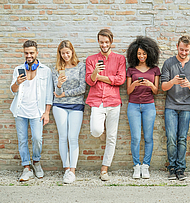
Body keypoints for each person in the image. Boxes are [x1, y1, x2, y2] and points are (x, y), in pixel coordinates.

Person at [85, 29, 126, 181]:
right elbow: (90, 81)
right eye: (101, 42)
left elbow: (120, 80)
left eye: (106, 42)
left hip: (114, 101)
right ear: (98, 42)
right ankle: (101, 131)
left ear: (111, 42)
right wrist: (95, 72)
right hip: (97, 100)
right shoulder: (91, 59)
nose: (104, 45)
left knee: (112, 137)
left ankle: (104, 168)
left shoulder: (120, 59)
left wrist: (99, 77)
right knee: (96, 130)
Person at [10, 40, 53, 182]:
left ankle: (36, 162)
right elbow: (13, 91)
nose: (29, 55)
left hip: (37, 112)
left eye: (31, 53)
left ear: (37, 53)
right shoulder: (18, 70)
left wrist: (47, 112)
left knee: (37, 139)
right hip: (20, 110)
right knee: (22, 140)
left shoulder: (45, 70)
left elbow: (48, 93)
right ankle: (26, 167)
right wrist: (17, 83)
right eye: (26, 53)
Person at [161, 35, 190, 181]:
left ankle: (180, 168)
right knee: (171, 137)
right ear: (177, 47)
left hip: (186, 106)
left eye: (186, 50)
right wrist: (173, 81)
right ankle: (171, 167)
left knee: (182, 138)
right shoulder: (168, 63)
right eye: (181, 49)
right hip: (170, 105)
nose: (183, 53)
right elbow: (163, 87)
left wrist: (189, 84)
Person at [126, 36, 161, 179]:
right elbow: (128, 91)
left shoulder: (155, 69)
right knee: (135, 138)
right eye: (139, 53)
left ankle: (146, 166)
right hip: (133, 105)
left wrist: (149, 84)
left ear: (149, 53)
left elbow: (156, 91)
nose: (141, 56)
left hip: (149, 106)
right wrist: (135, 84)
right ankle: (136, 166)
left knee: (148, 137)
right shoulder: (131, 70)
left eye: (144, 53)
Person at [52, 40, 86, 184]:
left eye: (68, 52)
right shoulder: (56, 68)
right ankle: (66, 169)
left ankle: (72, 170)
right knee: (63, 136)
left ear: (72, 51)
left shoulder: (80, 66)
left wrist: (64, 94)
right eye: (63, 53)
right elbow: (56, 93)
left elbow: (82, 88)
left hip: (76, 106)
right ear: (59, 54)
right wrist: (59, 84)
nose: (65, 55)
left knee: (73, 137)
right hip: (59, 106)